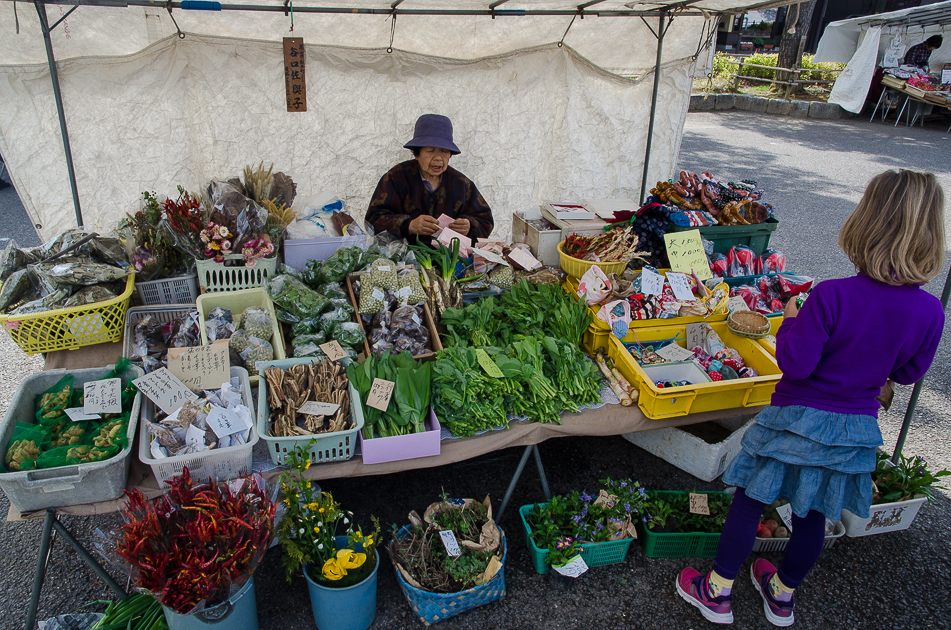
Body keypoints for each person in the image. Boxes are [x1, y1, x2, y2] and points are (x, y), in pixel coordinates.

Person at [676, 169, 946, 627]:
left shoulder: (830, 296)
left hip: (795, 419)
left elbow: (796, 364)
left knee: (750, 500)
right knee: (814, 513)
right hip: (853, 430)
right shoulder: (930, 310)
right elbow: (908, 372)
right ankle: (782, 595)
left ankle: (717, 592)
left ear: (866, 224)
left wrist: (792, 318)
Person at [366, 114, 494, 245]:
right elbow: (372, 220)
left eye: (444, 151)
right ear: (417, 154)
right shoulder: (396, 178)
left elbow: (486, 221)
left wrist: (470, 226)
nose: (438, 158)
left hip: (449, 259)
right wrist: (409, 225)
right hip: (404, 259)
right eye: (430, 150)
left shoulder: (462, 184)